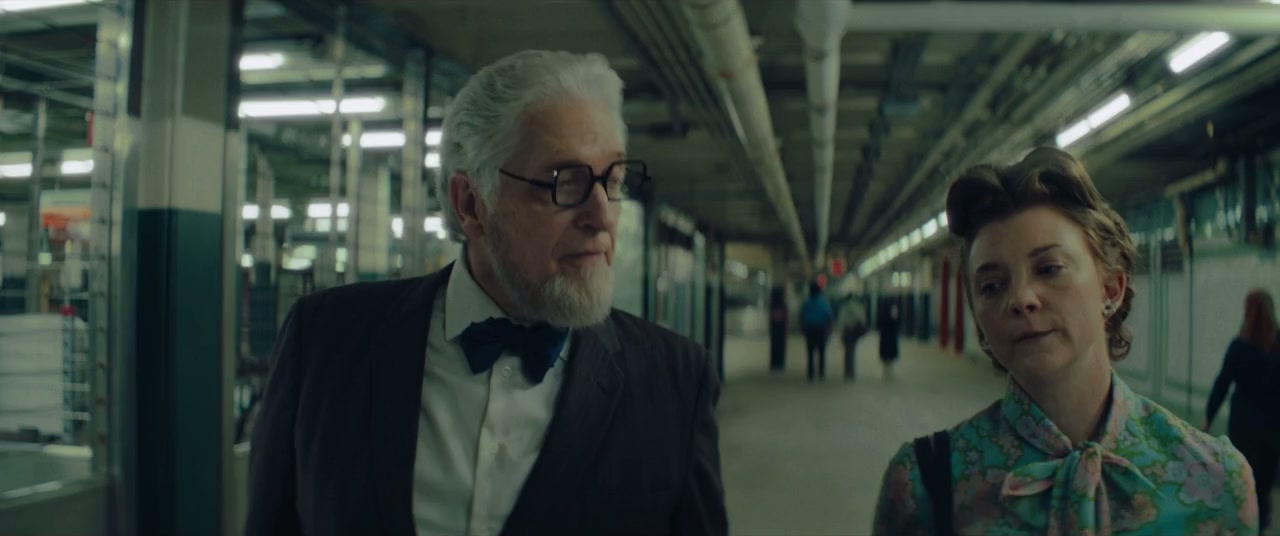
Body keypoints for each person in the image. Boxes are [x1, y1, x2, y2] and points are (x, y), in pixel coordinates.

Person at [246, 50, 728, 536]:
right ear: (472, 203)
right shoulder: (325, 341)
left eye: (615, 180)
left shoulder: (674, 384)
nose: (602, 217)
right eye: (565, 183)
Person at [873, 147, 1258, 535]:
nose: (1021, 299)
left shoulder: (1216, 482)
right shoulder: (925, 485)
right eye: (991, 286)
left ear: (1111, 288)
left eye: (1049, 268)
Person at [1206, 290, 1280, 531]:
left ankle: (1244, 524)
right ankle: (1261, 525)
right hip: (1273, 429)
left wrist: (1209, 417)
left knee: (1243, 481)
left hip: (1244, 428)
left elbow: (1222, 384)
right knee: (1264, 484)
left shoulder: (1239, 346)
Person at [800, 281, 834, 382]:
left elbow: (801, 316)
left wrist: (802, 328)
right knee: (821, 352)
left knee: (810, 352)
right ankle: (821, 372)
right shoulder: (823, 303)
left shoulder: (806, 303)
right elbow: (829, 317)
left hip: (809, 329)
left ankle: (811, 373)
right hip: (820, 329)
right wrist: (829, 330)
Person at [838, 293, 869, 380]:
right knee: (852, 350)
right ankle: (851, 371)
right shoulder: (858, 306)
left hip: (847, 331)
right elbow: (862, 319)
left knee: (847, 352)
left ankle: (847, 371)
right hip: (855, 331)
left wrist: (841, 334)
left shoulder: (844, 307)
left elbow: (841, 321)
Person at [878, 302, 901, 380]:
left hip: (886, 338)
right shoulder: (892, 316)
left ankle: (886, 372)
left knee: (886, 357)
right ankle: (889, 372)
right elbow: (896, 325)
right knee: (889, 356)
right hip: (890, 339)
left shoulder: (883, 315)